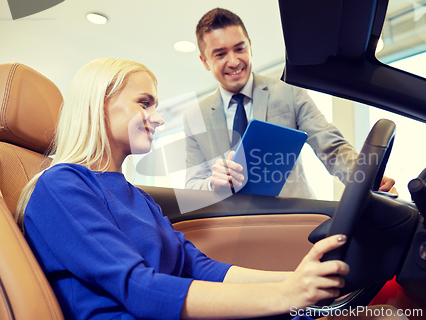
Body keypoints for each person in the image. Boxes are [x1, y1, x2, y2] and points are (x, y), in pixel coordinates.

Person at [15, 58, 353, 320]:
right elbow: (138, 288)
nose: (159, 118)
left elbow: (200, 267)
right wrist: (286, 295)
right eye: (144, 103)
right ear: (101, 103)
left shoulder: (138, 197)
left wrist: (293, 281)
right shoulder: (60, 186)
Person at [183, 8, 396, 198]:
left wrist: (368, 179)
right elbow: (192, 185)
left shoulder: (288, 91)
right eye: (220, 54)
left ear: (250, 47)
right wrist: (213, 184)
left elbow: (331, 147)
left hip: (292, 220)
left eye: (240, 49)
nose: (233, 61)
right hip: (232, 228)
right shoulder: (194, 118)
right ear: (205, 61)